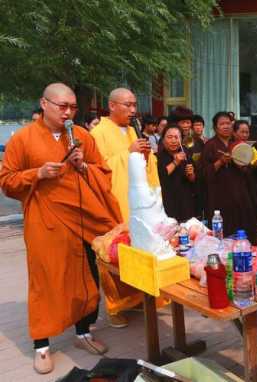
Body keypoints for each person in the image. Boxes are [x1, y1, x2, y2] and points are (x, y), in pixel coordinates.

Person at [0, 83, 123, 374]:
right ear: (44, 104)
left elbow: (103, 172)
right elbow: (6, 180)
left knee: (85, 276)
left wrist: (84, 167)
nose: (68, 113)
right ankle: (41, 345)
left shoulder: (80, 137)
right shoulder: (22, 139)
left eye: (72, 107)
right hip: (46, 221)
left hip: (83, 219)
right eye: (61, 106)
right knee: (46, 280)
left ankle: (83, 333)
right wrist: (37, 173)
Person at [91, 88, 158, 328]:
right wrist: (127, 154)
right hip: (115, 201)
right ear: (111, 105)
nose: (132, 110)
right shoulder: (98, 133)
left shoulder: (133, 131)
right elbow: (98, 169)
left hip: (137, 202)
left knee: (138, 249)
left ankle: (137, 298)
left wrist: (147, 156)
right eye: (127, 105)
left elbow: (147, 165)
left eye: (134, 105)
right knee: (113, 253)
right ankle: (115, 307)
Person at [202, 112, 257, 244]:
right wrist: (220, 161)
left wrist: (249, 165)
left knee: (243, 225)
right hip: (219, 195)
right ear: (215, 127)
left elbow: (245, 169)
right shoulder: (210, 146)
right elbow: (203, 173)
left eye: (228, 123)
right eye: (222, 124)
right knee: (223, 228)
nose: (226, 126)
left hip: (239, 193)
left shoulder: (238, 144)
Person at [157, 126, 197, 222]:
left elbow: (193, 180)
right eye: (169, 137)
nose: (174, 141)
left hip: (185, 202)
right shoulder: (158, 157)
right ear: (163, 140)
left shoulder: (186, 155)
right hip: (167, 201)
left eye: (177, 137)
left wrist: (191, 174)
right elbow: (161, 176)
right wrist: (175, 162)